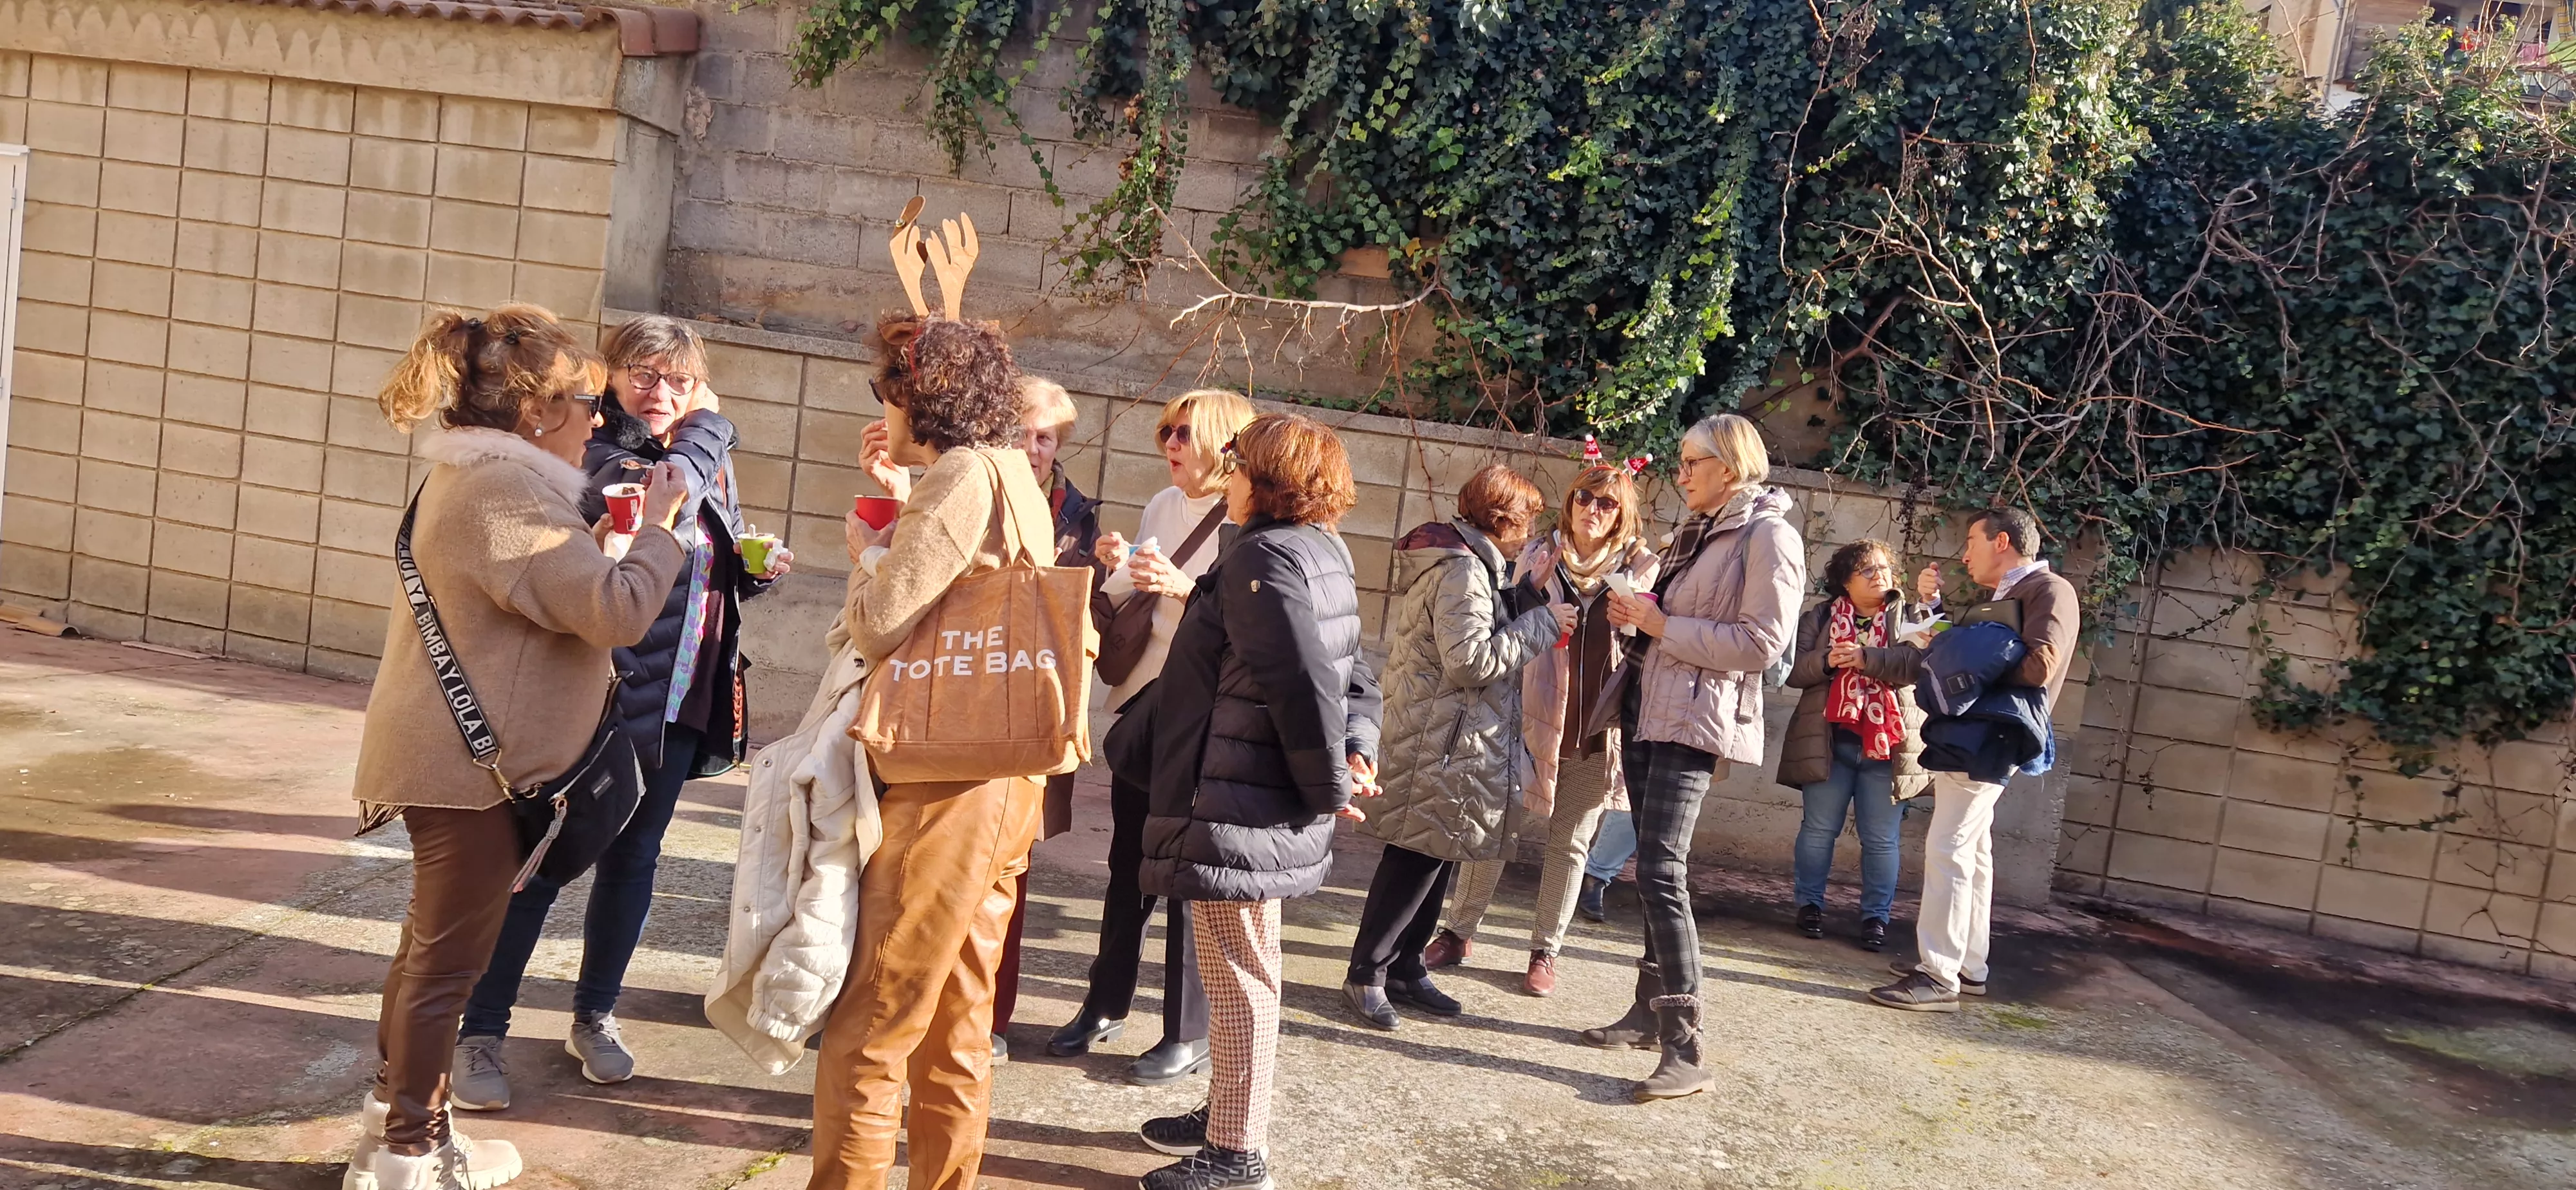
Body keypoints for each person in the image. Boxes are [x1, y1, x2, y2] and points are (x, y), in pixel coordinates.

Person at [346, 305, 692, 1189]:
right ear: (535, 413)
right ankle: (412, 1154)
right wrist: (660, 531)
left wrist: (606, 546)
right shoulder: (505, 489)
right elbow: (613, 612)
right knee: (446, 968)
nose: (599, 417)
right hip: (470, 772)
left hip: (458, 761)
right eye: (586, 401)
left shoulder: (490, 482)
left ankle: (395, 1128)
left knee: (427, 951)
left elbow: (545, 595)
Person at [453, 314, 789, 1108]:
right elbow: (647, 515)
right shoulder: (601, 452)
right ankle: (479, 1033)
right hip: (597, 701)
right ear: (607, 376)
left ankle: (593, 1016)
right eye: (643, 372)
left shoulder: (703, 461)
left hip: (678, 698)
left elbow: (697, 557)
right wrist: (711, 424)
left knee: (634, 863)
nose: (660, 391)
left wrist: (754, 571)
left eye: (678, 378)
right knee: (542, 866)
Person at [808, 314, 1061, 1190]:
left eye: (890, 391)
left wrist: (867, 552)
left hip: (944, 785)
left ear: (921, 397)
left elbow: (881, 623)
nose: (884, 405)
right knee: (957, 1023)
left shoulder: (960, 476)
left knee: (871, 1027)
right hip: (1005, 778)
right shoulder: (1014, 472)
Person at [1130, 413, 1381, 1190]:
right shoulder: (1320, 550)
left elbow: (1306, 689)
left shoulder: (1265, 559)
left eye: (1236, 466)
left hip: (1239, 801)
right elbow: (1354, 675)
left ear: (1266, 480)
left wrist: (1332, 786)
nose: (1225, 477)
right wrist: (1356, 748)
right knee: (1247, 963)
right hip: (1254, 797)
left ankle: (1235, 1155)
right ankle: (1226, 1113)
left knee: (1239, 972)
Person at [1587, 413, 1803, 1102]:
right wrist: (1640, 614)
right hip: (1652, 710)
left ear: (1730, 467)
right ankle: (1647, 1018)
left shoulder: (1770, 537)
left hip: (1696, 724)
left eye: (1690, 464)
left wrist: (1662, 625)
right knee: (1648, 869)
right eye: (1679, 463)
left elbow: (1763, 645)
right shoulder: (1699, 530)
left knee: (1661, 871)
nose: (1679, 475)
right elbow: (1677, 621)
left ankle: (1685, 1047)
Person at [1047, 388, 1257, 1085]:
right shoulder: (1162, 506)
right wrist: (1116, 566)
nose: (1170, 443)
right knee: (1127, 866)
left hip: (1205, 722)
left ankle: (1185, 1031)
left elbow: (1249, 632)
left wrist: (1178, 586)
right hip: (1146, 708)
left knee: (1186, 877)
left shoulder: (1245, 524)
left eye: (1184, 432)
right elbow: (1127, 601)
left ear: (1224, 443)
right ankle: (1104, 1003)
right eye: (1166, 430)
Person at [1342, 464, 1572, 1026]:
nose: (1531, 530)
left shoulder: (1474, 565)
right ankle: (1366, 975)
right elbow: (1470, 660)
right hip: (1437, 738)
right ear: (1503, 520)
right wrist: (1544, 622)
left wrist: (1525, 593)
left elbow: (1482, 635)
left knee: (1441, 854)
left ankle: (1406, 968)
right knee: (1415, 857)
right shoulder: (1461, 570)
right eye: (1527, 520)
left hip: (1450, 738)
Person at [1427, 464, 1660, 996]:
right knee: (1494, 826)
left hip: (1597, 724)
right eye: (1584, 498)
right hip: (1527, 714)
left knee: (1571, 843)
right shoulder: (1539, 553)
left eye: (1606, 504)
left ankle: (1544, 951)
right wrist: (1535, 596)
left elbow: (1652, 644)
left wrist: (1634, 621)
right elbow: (1502, 623)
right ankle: (1458, 932)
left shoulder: (1645, 567)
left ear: (1623, 514)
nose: (1592, 510)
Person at [1869, 507, 2078, 1012]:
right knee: (1973, 854)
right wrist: (1937, 616)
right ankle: (1969, 965)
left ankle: (1938, 975)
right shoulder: (2011, 594)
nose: (1964, 554)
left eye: (1971, 542)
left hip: (1992, 739)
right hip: (1980, 736)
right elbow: (1984, 653)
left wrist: (1961, 649)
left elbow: (2039, 665)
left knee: (1950, 849)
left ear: (2001, 541)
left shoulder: (2049, 591)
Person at [989, 375, 1101, 1063]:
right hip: (964, 687)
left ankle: (991, 1019)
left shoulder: (1075, 511)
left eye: (1045, 436)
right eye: (1021, 432)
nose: (1033, 447)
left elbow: (1065, 612)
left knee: (1010, 869)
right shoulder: (973, 487)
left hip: (1031, 706)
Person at [1779, 540, 1926, 954]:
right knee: (1818, 830)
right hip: (1829, 741)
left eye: (1884, 568)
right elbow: (1793, 671)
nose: (1880, 576)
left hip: (1886, 745)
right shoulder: (1821, 617)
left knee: (1881, 839)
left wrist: (1867, 659)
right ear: (1845, 581)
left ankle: (1876, 918)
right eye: (1868, 570)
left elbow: (1919, 663)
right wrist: (1829, 661)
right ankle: (1809, 906)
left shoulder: (1910, 614)